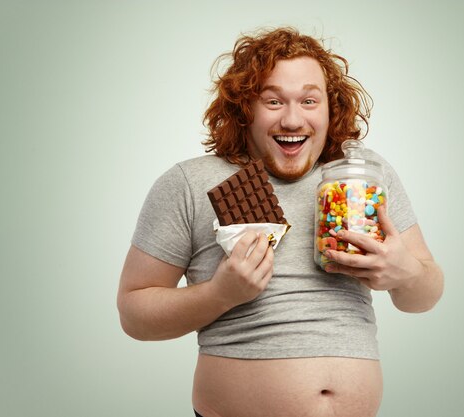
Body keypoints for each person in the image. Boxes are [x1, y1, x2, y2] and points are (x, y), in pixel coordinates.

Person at [117, 27, 444, 417]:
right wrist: (221, 294)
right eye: (273, 101)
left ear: (330, 107)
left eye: (309, 100)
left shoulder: (362, 178)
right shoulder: (189, 183)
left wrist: (404, 273)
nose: (292, 119)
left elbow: (425, 296)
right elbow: (134, 315)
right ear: (244, 109)